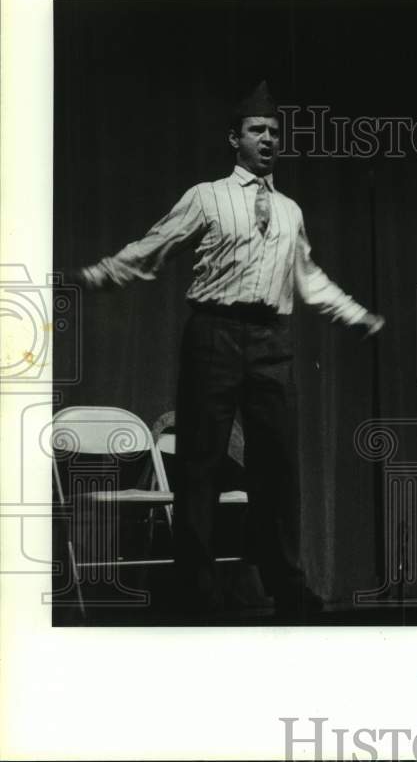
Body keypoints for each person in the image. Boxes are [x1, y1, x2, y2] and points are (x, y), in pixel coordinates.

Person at [70, 81, 385, 616]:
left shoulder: (289, 210)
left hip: (271, 341)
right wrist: (102, 273)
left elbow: (308, 278)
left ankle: (287, 586)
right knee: (200, 465)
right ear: (233, 138)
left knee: (279, 468)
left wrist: (356, 315)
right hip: (213, 334)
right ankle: (194, 590)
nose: (268, 140)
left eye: (275, 133)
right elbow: (157, 244)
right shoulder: (207, 196)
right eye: (257, 130)